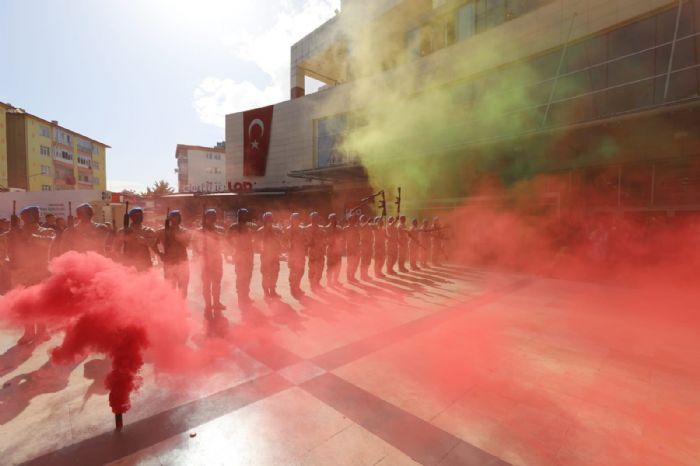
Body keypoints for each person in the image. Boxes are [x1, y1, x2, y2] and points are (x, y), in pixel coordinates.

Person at [9, 206, 55, 344]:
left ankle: (42, 331)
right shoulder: (18, 232)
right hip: (23, 273)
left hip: (40, 272)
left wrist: (25, 233)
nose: (25, 220)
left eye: (27, 217)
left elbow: (46, 242)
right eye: (23, 217)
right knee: (24, 304)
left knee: (40, 304)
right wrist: (13, 230)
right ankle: (29, 332)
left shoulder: (47, 231)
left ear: (36, 217)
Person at [154, 210, 191, 298]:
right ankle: (171, 310)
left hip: (182, 262)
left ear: (180, 219)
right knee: (170, 288)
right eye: (173, 217)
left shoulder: (185, 231)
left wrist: (176, 235)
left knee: (183, 288)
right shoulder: (162, 231)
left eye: (177, 217)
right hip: (169, 263)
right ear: (170, 219)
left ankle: (181, 308)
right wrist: (160, 254)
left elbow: (186, 244)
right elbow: (152, 244)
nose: (175, 219)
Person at [197, 209, 225, 317]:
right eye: (209, 216)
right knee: (206, 285)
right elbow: (194, 245)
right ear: (206, 218)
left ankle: (216, 303)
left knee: (217, 283)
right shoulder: (200, 231)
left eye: (214, 216)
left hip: (217, 259)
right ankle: (208, 305)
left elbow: (223, 242)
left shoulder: (220, 230)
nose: (212, 218)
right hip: (205, 260)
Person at [228, 208, 257, 306]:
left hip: (249, 255)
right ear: (239, 215)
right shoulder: (234, 227)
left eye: (246, 215)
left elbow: (252, 240)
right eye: (243, 215)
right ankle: (241, 296)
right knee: (241, 276)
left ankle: (246, 295)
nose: (245, 216)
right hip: (239, 255)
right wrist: (234, 250)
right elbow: (228, 240)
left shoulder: (248, 227)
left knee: (248, 276)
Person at [258, 211, 283, 298]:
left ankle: (272, 291)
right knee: (265, 274)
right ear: (264, 221)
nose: (269, 222)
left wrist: (279, 249)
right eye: (267, 220)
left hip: (274, 256)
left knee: (274, 274)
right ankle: (266, 292)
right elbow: (256, 244)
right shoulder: (260, 231)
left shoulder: (277, 230)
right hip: (265, 256)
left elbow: (281, 241)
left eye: (270, 220)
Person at [285, 212, 307, 299]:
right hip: (292, 254)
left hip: (300, 254)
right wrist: (288, 246)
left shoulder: (302, 229)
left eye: (297, 219)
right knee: (294, 272)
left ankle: (297, 286)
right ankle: (293, 288)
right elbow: (283, 241)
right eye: (294, 219)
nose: (296, 221)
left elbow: (305, 240)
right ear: (291, 220)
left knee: (300, 271)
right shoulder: (288, 229)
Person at [306, 212, 325, 292]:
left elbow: (325, 238)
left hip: (320, 250)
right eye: (314, 218)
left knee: (320, 268)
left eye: (316, 218)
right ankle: (312, 284)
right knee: (312, 268)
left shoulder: (321, 228)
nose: (315, 220)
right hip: (312, 251)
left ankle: (317, 282)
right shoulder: (307, 228)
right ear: (311, 219)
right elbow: (306, 240)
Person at [325, 213, 343, 288]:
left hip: (338, 249)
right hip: (330, 249)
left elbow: (342, 238)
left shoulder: (339, 228)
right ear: (330, 220)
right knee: (330, 266)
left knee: (338, 266)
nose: (334, 220)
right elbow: (324, 239)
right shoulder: (327, 228)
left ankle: (335, 281)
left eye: (335, 219)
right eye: (332, 219)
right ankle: (329, 282)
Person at [345, 213, 361, 283]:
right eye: (351, 220)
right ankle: (349, 277)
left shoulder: (356, 228)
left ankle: (352, 276)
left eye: (353, 220)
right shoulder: (346, 229)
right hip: (350, 248)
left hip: (356, 248)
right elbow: (343, 238)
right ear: (348, 221)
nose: (352, 221)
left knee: (356, 263)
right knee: (350, 263)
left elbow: (358, 237)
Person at [359, 215, 373, 280]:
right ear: (360, 220)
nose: (364, 220)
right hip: (364, 246)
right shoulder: (361, 226)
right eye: (362, 219)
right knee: (364, 261)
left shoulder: (368, 226)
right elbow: (362, 227)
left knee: (368, 261)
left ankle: (366, 274)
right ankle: (362, 275)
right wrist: (367, 222)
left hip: (369, 246)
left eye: (365, 218)